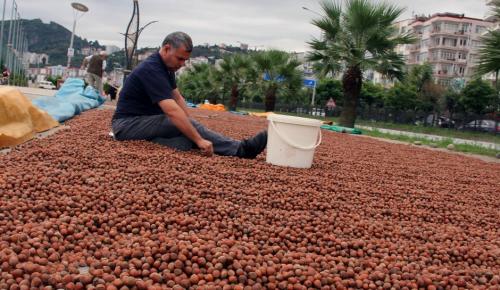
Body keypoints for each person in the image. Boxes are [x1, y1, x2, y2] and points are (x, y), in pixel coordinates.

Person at [111, 31, 267, 158]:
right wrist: (199, 139)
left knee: (184, 140)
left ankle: (165, 142)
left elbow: (177, 97)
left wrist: (190, 123)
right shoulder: (151, 69)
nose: (182, 64)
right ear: (166, 49)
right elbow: (171, 111)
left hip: (145, 123)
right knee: (180, 125)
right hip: (127, 125)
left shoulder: (167, 68)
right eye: (180, 59)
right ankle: (241, 150)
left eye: (185, 60)